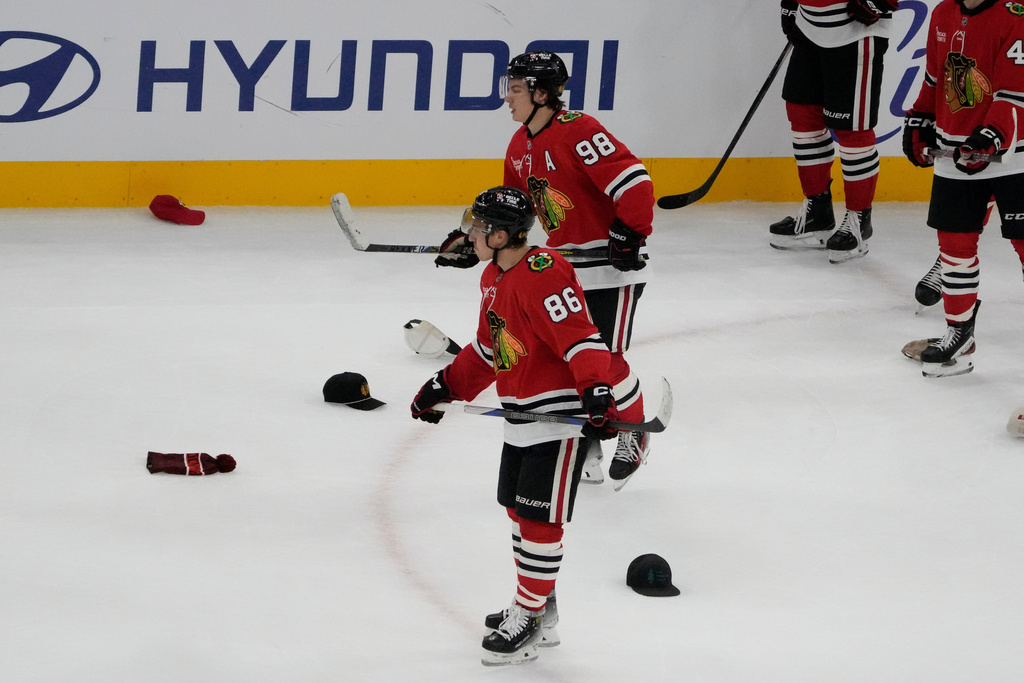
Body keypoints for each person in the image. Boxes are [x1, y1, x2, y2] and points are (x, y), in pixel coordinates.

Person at [410, 186, 644, 666]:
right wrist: (445, 385)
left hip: (556, 417)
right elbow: (489, 349)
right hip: (521, 416)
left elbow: (581, 339)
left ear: (500, 234)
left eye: (478, 229)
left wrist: (596, 391)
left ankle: (531, 613)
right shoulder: (494, 276)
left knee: (541, 519)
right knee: (519, 513)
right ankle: (541, 604)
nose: (470, 235)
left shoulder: (544, 272)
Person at [434, 50, 655, 490]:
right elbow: (511, 214)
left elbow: (634, 181)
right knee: (558, 358)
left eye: (515, 90)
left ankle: (634, 433)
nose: (507, 99)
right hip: (564, 265)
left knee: (602, 358)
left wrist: (630, 233)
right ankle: (585, 438)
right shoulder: (519, 145)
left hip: (609, 265)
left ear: (541, 92)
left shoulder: (579, 130)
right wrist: (474, 241)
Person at [901, 0, 1024, 377]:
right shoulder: (943, 13)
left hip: (1014, 158)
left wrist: (992, 134)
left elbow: (1015, 91)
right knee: (955, 248)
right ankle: (959, 338)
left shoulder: (1015, 14)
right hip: (956, 154)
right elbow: (935, 79)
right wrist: (920, 117)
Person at [769, 0, 898, 263]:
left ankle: (859, 220)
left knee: (852, 130)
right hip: (809, 25)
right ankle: (818, 211)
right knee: (802, 113)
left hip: (856, 31)